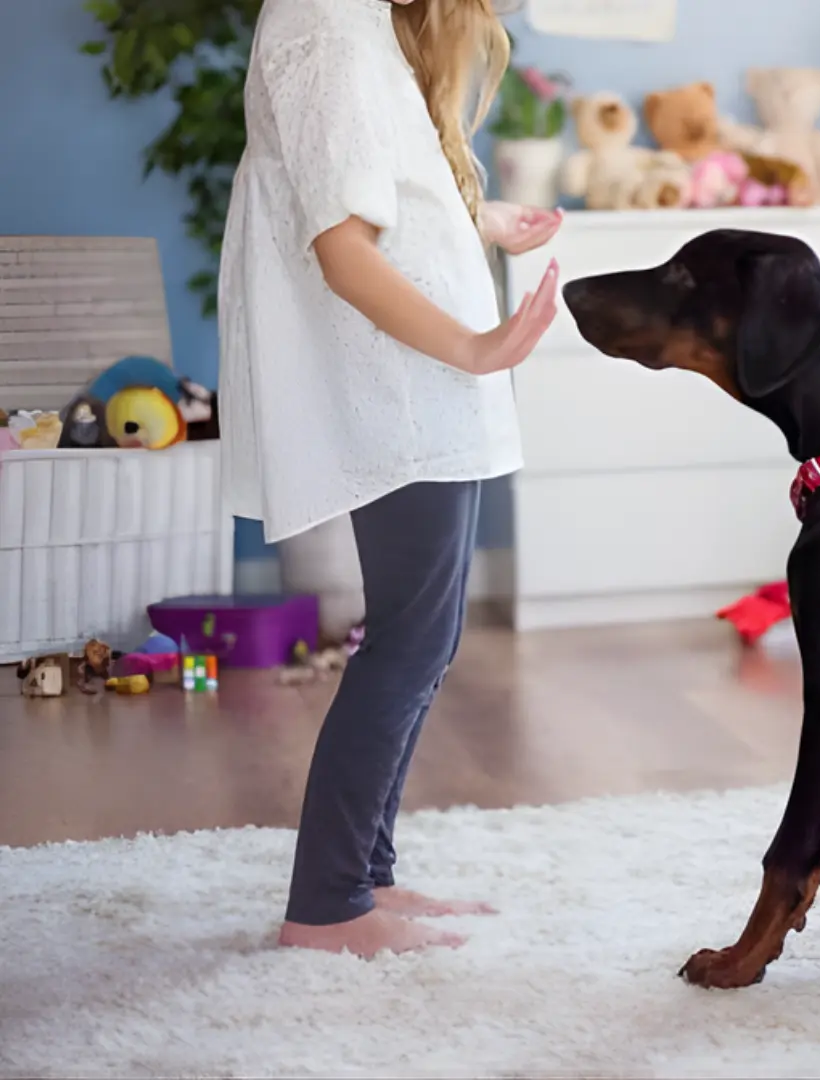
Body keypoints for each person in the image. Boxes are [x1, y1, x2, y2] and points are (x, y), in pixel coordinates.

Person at [218, 0, 563, 958]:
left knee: (429, 637)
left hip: (425, 387)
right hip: (399, 385)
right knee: (410, 641)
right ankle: (326, 906)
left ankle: (364, 877)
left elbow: (378, 189)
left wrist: (484, 220)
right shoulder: (326, 26)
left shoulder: (358, 23)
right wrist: (475, 345)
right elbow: (340, 247)